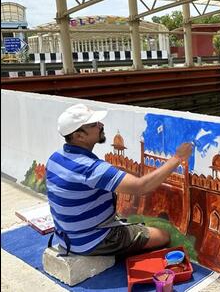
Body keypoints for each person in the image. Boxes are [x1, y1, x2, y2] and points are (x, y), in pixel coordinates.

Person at [46, 103, 193, 256]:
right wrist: (178, 158)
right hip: (91, 241)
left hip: (66, 236)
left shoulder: (56, 158)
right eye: (94, 124)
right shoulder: (91, 168)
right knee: (163, 236)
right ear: (79, 136)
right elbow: (141, 186)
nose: (101, 125)